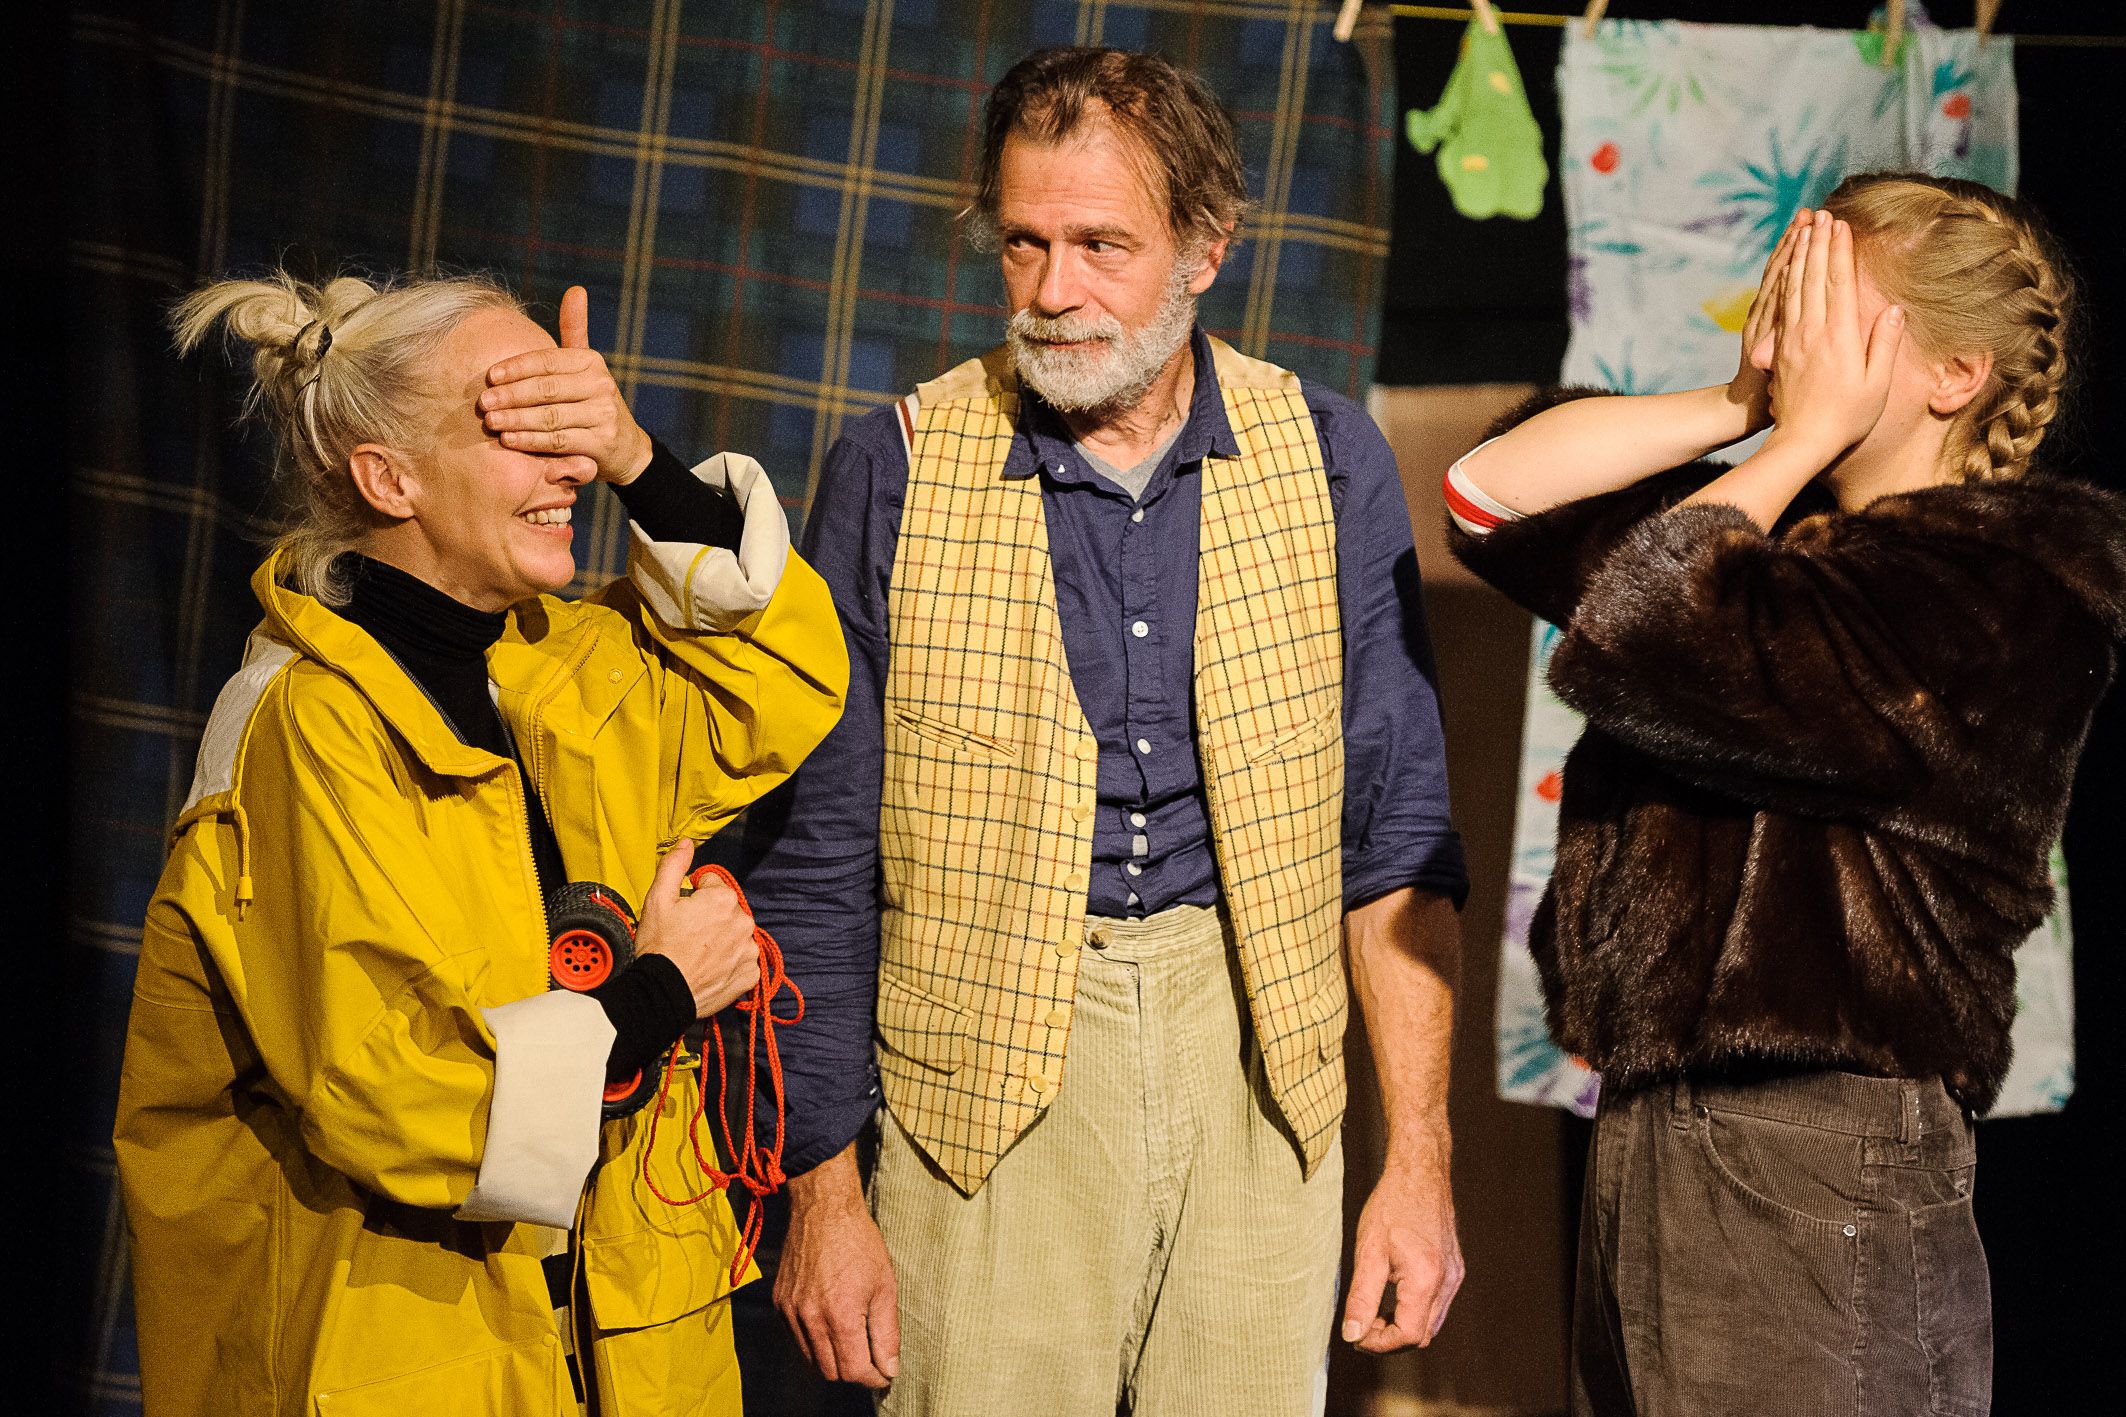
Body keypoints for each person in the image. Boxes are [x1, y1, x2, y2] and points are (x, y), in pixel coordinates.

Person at [744, 46, 1469, 1417]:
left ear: (1205, 249)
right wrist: (822, 1191)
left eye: (1100, 245)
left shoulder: (1325, 458)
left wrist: (1418, 1165)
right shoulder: (896, 467)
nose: (1053, 289)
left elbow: (1395, 838)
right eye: (1023, 243)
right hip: (981, 1080)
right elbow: (816, 861)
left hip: (1257, 1067)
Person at [1447, 178, 2126, 1416]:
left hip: (1818, 1144)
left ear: (1954, 374)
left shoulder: (2010, 591)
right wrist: (1738, 405)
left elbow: (1648, 631)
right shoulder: (1768, 530)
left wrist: (1794, 443)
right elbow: (1490, 498)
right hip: (1659, 1126)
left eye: (1827, 311)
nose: (1792, 332)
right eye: (1786, 302)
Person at [114, 271, 847, 1415]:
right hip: (411, 1348)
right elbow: (393, 1097)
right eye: (522, 429)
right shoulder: (302, 730)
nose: (569, 467)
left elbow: (780, 679)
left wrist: (634, 455)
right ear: (387, 477)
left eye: (571, 422)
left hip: (626, 1346)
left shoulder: (561, 666)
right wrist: (664, 990)